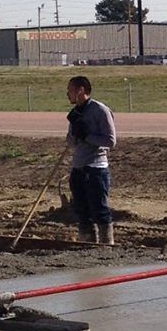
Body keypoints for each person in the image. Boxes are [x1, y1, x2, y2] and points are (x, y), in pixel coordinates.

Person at [64, 75, 118, 247]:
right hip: (78, 167)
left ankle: (106, 246)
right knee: (82, 211)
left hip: (95, 168)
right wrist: (75, 134)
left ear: (81, 90)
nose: (67, 94)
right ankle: (87, 246)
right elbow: (71, 142)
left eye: (70, 90)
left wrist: (87, 136)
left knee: (99, 210)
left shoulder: (100, 110)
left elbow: (110, 141)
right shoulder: (76, 113)